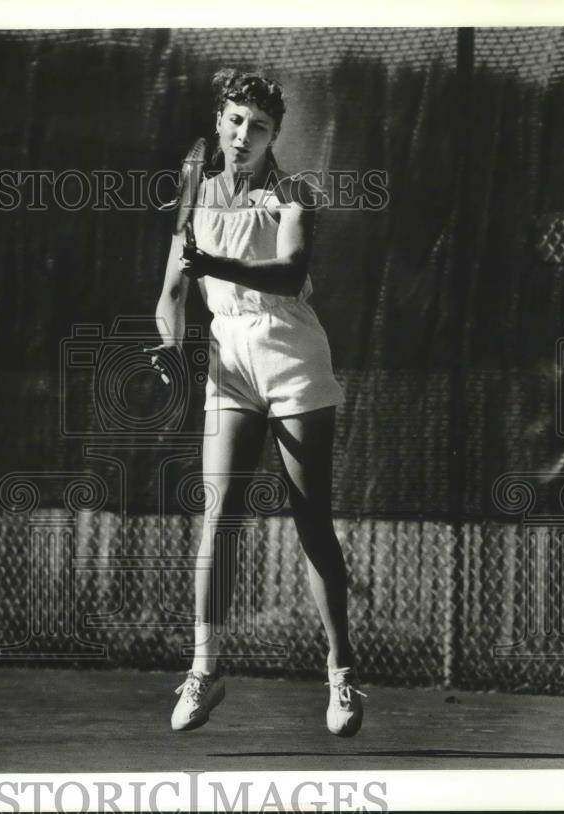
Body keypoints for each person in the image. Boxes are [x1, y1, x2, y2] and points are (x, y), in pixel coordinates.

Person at [150, 68, 365, 736]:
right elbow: (172, 294)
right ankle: (205, 669)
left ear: (275, 135)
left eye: (261, 126)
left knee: (311, 520)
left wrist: (217, 266)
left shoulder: (293, 194)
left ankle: (342, 674)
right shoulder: (195, 192)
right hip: (228, 362)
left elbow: (290, 271)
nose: (245, 135)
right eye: (236, 120)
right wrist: (169, 342)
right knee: (220, 518)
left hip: (293, 357)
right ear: (220, 120)